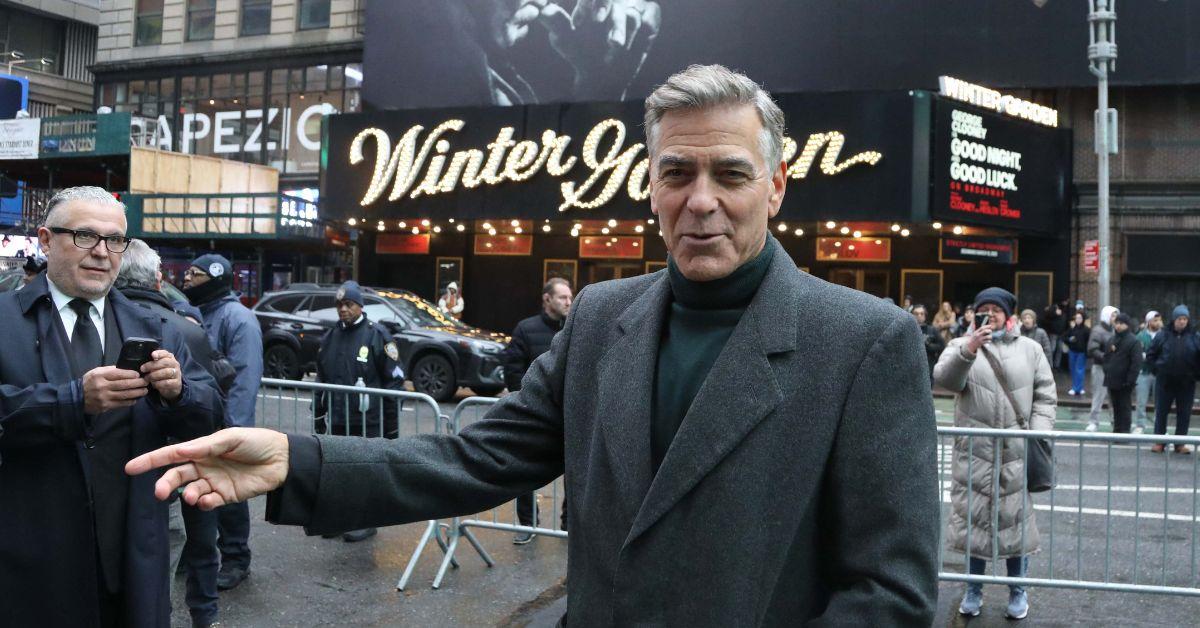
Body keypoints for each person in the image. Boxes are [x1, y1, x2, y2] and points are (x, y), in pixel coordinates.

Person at [128, 64, 941, 625]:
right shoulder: (599, 319)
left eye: (730, 174)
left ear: (777, 184)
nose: (701, 201)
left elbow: (890, 593)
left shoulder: (865, 342)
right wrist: (296, 462)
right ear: (649, 184)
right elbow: (471, 460)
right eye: (676, 172)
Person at [0, 186, 222, 628]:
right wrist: (71, 400)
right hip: (32, 568)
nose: (102, 252)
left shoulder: (155, 326)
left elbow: (211, 415)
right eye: (85, 236)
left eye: (114, 240)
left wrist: (180, 393)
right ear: (45, 241)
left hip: (132, 561)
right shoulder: (4, 320)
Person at [116, 239, 227, 628]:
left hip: (134, 463)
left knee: (140, 546)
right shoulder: (188, 327)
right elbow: (215, 405)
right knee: (200, 537)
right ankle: (204, 614)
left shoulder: (127, 326)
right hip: (192, 455)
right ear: (159, 279)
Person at [934, 287, 1055, 621]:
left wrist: (1039, 432)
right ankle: (974, 590)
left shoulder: (1030, 349)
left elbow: (1046, 394)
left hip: (1016, 452)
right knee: (975, 525)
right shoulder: (960, 345)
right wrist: (969, 350)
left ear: (1008, 315)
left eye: (996, 309)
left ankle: (1018, 591)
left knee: (1015, 525)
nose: (990, 314)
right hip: (975, 454)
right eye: (983, 309)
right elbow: (944, 379)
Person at [182, 253, 264, 591]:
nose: (186, 279)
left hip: (225, 425)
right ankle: (200, 554)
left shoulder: (238, 318)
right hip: (198, 421)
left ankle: (235, 558)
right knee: (198, 491)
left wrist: (234, 430)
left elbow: (244, 378)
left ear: (215, 278)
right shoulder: (195, 313)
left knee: (229, 494)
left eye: (195, 274)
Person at [313, 280, 406, 542]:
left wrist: (391, 423)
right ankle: (340, 519)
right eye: (339, 305)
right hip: (340, 418)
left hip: (368, 420)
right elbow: (321, 378)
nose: (343, 309)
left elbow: (395, 380)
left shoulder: (378, 335)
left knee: (365, 471)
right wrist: (319, 414)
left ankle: (367, 520)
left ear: (360, 306)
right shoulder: (331, 337)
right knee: (338, 470)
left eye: (348, 304)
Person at [500, 277, 574, 544]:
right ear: (547, 299)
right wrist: (530, 401)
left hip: (570, 414)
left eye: (570, 297)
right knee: (525, 470)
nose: (569, 302)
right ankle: (528, 524)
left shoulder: (577, 327)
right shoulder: (526, 329)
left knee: (575, 473)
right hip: (535, 415)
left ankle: (569, 525)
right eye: (563, 298)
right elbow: (513, 367)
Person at [1146, 305, 1199, 454]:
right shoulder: (1163, 335)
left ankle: (1180, 443)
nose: (1182, 322)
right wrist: (1157, 370)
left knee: (1184, 413)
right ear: (1174, 319)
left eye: (1185, 319)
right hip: (1165, 381)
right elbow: (1151, 354)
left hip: (1186, 382)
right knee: (1161, 411)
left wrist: (1195, 375)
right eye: (1180, 319)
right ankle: (1159, 442)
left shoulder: (1194, 336)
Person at [1104, 313, 1143, 436]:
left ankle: (1124, 431)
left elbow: (1136, 363)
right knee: (1115, 406)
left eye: (1122, 323)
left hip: (1125, 381)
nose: (1119, 326)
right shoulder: (1112, 339)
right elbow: (1107, 357)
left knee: (1124, 406)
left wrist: (1130, 380)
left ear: (1127, 325)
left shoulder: (1133, 341)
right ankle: (1117, 429)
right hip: (1112, 379)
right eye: (1117, 323)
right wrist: (1107, 371)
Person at [1086, 305, 1119, 432]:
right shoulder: (1097, 330)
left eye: (1116, 315)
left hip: (1114, 368)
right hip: (1100, 367)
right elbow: (1092, 349)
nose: (1115, 318)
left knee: (1114, 396)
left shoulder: (1116, 330)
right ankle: (1093, 421)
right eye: (1113, 315)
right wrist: (1105, 356)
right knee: (1099, 395)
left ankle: (1115, 421)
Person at [1134, 311, 1163, 434]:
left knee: (1160, 401)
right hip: (1144, 371)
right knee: (1141, 400)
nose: (1158, 323)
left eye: (1159, 320)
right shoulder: (1140, 336)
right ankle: (1140, 424)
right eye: (1155, 320)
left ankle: (1160, 425)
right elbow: (1137, 353)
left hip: (1159, 372)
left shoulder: (1164, 335)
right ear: (1149, 322)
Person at [912, 304, 946, 380]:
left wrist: (928, 345)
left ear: (925, 315)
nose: (919, 316)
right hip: (911, 368)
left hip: (928, 367)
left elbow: (942, 346)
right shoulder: (907, 330)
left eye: (921, 313)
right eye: (916, 313)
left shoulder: (932, 330)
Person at [1065, 311, 1090, 396]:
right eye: (1076, 318)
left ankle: (1077, 388)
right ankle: (1076, 387)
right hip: (1072, 351)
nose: (1078, 320)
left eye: (1080, 318)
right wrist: (1069, 340)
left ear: (1083, 319)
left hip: (1081, 352)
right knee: (1073, 370)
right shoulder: (1072, 329)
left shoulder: (1086, 330)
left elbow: (1088, 341)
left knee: (1079, 370)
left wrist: (1087, 352)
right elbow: (1064, 337)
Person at [1042, 301, 1069, 370]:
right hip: (1053, 334)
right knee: (1052, 349)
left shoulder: (1063, 313)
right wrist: (1055, 313)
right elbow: (1047, 318)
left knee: (1059, 350)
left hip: (1060, 334)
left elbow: (1065, 323)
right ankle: (1050, 364)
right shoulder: (1052, 312)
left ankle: (1057, 365)